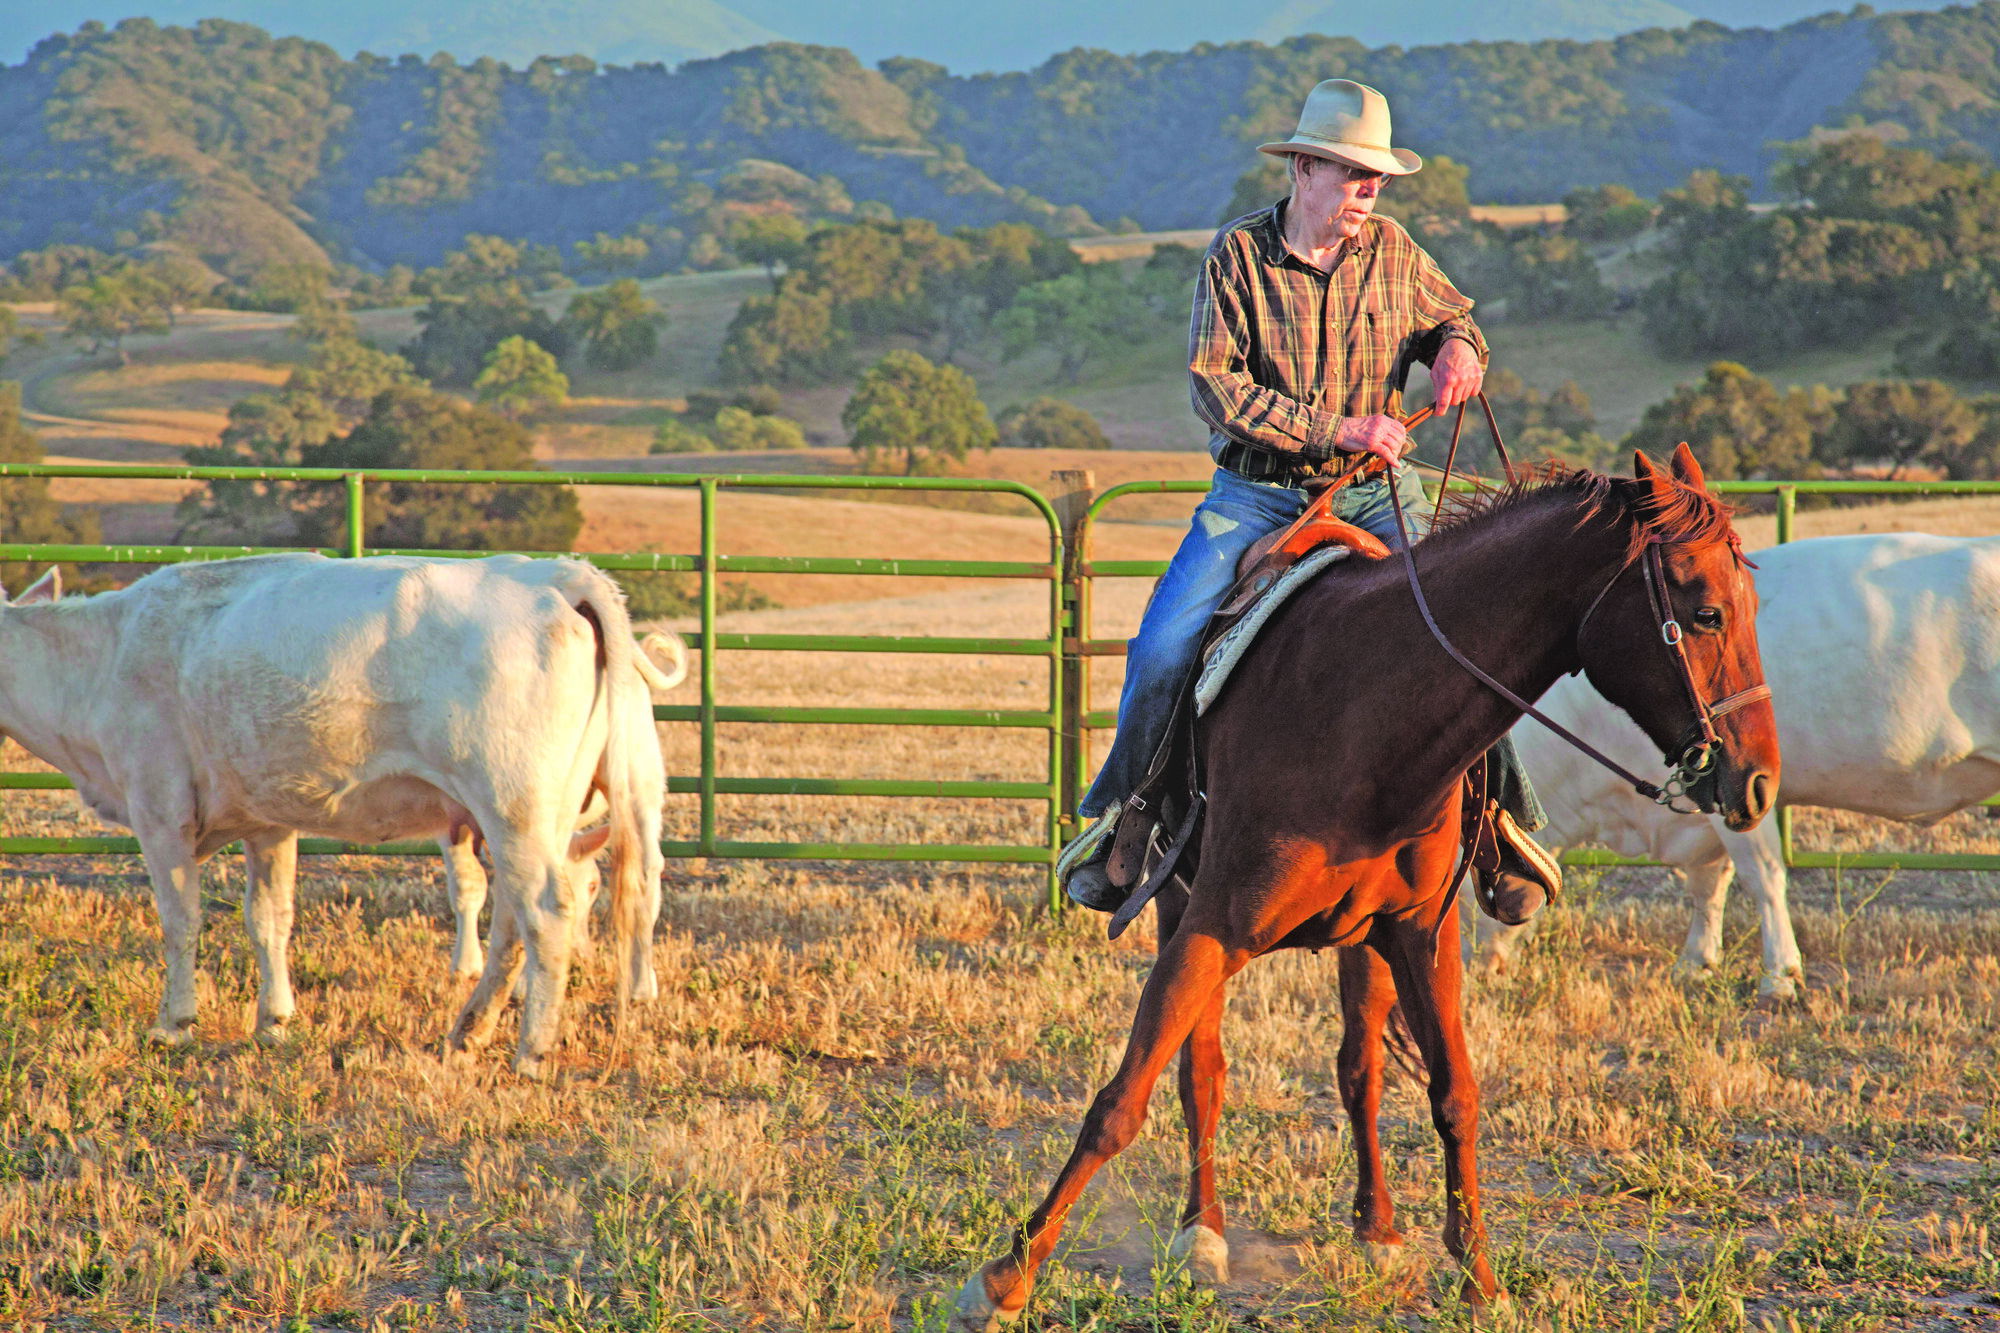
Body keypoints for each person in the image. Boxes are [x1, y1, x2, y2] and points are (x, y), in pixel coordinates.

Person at [1059, 78, 1558, 920]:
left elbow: (1455, 316)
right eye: (1351, 173)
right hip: (1256, 496)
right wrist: (1344, 430)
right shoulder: (1238, 257)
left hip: (1373, 494)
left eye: (1377, 178)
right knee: (1162, 644)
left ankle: (1502, 822)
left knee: (1466, 630)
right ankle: (1132, 816)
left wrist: (1458, 350)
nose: (1368, 190)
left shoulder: (1394, 252)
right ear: (1300, 170)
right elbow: (1216, 387)